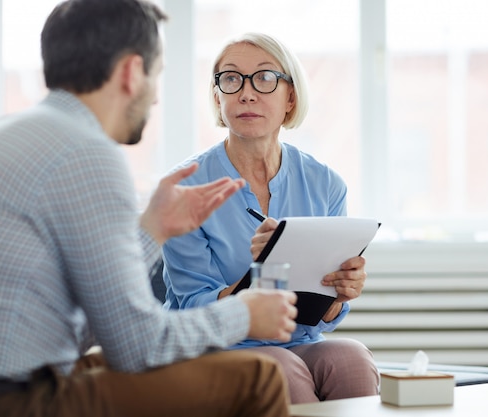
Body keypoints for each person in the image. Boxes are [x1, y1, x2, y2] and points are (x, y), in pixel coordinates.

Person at [0, 2, 299, 417]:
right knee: (257, 377)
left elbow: (93, 323)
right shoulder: (87, 152)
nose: (155, 98)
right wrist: (244, 312)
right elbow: (137, 345)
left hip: (20, 373)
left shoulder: (14, 132)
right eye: (156, 75)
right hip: (14, 399)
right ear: (132, 72)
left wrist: (151, 231)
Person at [162, 32, 380, 404]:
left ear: (290, 97)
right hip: (215, 346)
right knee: (279, 368)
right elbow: (191, 306)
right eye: (231, 79)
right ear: (218, 96)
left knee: (351, 358)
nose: (247, 93)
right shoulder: (185, 187)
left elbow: (322, 313)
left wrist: (340, 292)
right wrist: (260, 276)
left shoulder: (325, 184)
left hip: (297, 341)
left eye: (264, 78)